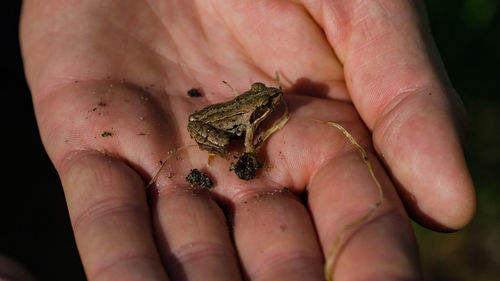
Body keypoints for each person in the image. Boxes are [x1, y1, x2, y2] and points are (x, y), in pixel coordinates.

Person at [20, 1, 476, 280]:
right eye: (266, 100)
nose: (270, 99)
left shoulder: (262, 101)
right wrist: (245, 151)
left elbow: (258, 103)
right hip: (210, 126)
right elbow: (250, 136)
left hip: (209, 115)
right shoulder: (255, 118)